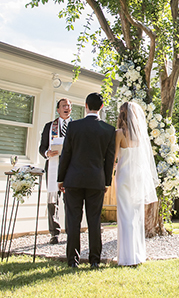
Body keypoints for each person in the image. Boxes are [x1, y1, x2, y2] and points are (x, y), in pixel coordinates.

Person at [57, 92, 116, 268]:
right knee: (94, 220)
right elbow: (109, 159)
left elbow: (66, 154)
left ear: (85, 105)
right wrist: (106, 182)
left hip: (73, 180)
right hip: (96, 181)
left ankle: (72, 261)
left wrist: (60, 179)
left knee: (73, 221)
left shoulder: (74, 127)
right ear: (102, 107)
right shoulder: (108, 130)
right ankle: (95, 261)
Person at [115, 101, 160, 266]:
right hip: (138, 176)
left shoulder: (119, 133)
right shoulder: (140, 134)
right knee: (136, 216)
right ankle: (138, 255)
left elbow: (114, 160)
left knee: (124, 216)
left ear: (122, 114)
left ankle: (126, 257)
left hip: (124, 176)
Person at [39, 98, 71, 245]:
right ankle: (54, 233)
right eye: (63, 106)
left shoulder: (75, 126)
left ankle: (71, 231)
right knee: (53, 201)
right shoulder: (49, 126)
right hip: (53, 166)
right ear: (58, 109)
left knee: (70, 200)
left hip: (71, 167)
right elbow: (42, 148)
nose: (66, 108)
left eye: (68, 106)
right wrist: (47, 153)